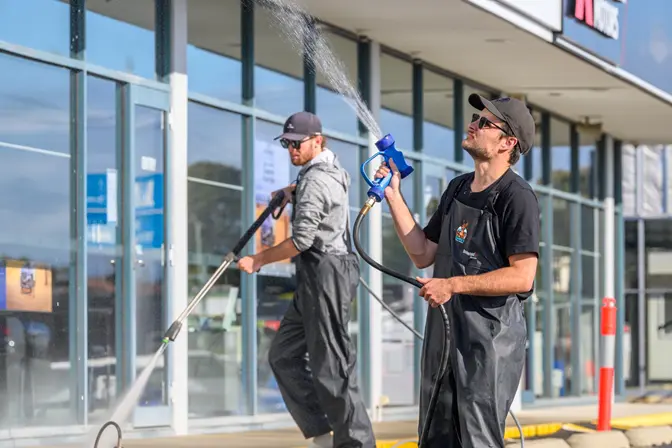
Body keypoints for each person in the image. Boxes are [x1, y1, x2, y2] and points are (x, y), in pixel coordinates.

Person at [374, 95, 540, 448]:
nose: (473, 125)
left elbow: (522, 276)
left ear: (508, 143)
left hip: (488, 344)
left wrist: (452, 284)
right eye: (475, 118)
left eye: (484, 123)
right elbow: (422, 252)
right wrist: (393, 196)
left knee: (477, 440)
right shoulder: (457, 188)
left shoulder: (516, 197)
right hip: (444, 337)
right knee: (433, 438)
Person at [237, 111, 376, 448]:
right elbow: (317, 184)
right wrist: (290, 190)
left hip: (327, 273)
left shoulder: (316, 179)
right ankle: (322, 436)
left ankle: (357, 445)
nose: (291, 150)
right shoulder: (324, 172)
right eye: (286, 144)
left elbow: (301, 241)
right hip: (315, 277)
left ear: (317, 140)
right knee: (283, 356)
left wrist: (257, 260)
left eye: (297, 143)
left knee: (333, 368)